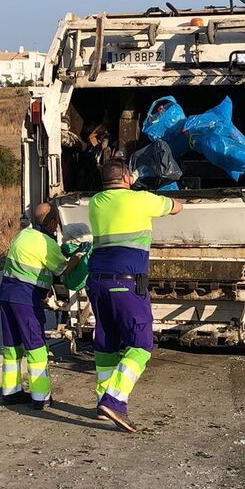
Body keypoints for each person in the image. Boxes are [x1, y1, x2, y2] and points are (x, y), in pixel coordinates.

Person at [88, 159, 183, 432]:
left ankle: (101, 403)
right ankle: (114, 400)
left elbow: (118, 196)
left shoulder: (96, 202)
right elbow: (177, 207)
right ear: (127, 178)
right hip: (126, 284)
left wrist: (133, 183)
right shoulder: (142, 200)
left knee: (106, 341)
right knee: (140, 345)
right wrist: (144, 187)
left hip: (97, 282)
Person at [0, 202, 85, 409]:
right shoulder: (46, 243)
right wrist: (79, 255)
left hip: (5, 296)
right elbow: (63, 270)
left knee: (11, 347)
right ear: (53, 222)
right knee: (36, 348)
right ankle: (40, 397)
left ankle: (11, 393)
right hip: (26, 300)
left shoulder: (23, 235)